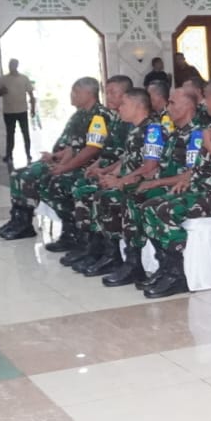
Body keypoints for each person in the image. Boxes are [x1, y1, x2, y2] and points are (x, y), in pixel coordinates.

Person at [136, 78, 211, 298]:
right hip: (203, 189)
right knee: (149, 207)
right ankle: (167, 266)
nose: (204, 103)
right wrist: (189, 178)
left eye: (207, 98)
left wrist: (209, 143)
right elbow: (203, 165)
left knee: (166, 211)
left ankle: (179, 274)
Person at [102, 87, 202, 289]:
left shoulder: (197, 134)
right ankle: (137, 261)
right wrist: (137, 179)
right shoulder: (175, 134)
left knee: (141, 199)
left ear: (188, 106)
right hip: (166, 185)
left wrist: (153, 182)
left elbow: (192, 175)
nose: (167, 107)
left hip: (184, 189)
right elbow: (156, 167)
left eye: (172, 103)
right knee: (131, 195)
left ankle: (172, 268)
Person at [0, 77, 112, 241]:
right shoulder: (80, 115)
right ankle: (20, 220)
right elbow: (73, 147)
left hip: (86, 166)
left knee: (42, 179)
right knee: (17, 174)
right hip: (71, 162)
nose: (72, 95)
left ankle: (72, 230)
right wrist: (55, 157)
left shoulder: (100, 116)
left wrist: (64, 168)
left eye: (76, 92)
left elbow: (91, 150)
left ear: (89, 93)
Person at [66, 87, 167, 278]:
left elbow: (150, 167)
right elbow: (126, 160)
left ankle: (130, 260)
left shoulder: (153, 130)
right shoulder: (135, 129)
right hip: (129, 179)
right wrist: (108, 173)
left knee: (107, 197)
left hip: (144, 182)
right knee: (87, 191)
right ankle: (100, 249)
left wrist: (121, 181)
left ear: (138, 106)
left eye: (124, 104)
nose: (119, 108)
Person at [0, 58, 36, 168]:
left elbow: (31, 95)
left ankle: (28, 154)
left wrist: (33, 109)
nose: (11, 66)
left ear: (17, 65)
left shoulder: (24, 78)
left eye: (13, 64)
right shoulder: (3, 79)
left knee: (25, 133)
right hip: (8, 111)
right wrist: (2, 91)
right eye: (10, 64)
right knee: (10, 134)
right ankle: (9, 155)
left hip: (22, 110)